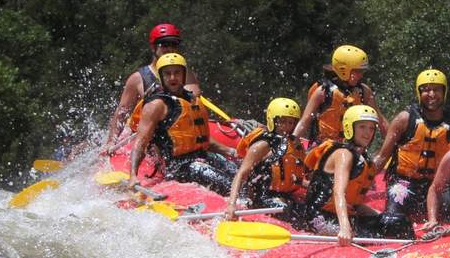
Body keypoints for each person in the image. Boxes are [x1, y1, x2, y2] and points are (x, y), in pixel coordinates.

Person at [129, 53, 238, 192]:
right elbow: (140, 142)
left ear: (184, 75)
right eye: (167, 73)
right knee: (231, 186)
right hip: (178, 167)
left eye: (177, 72)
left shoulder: (192, 100)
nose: (172, 77)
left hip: (202, 157)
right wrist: (133, 175)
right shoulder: (156, 105)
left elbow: (201, 140)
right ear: (161, 77)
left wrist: (232, 152)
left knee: (241, 176)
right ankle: (239, 203)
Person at [372, 68, 450, 237]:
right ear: (419, 93)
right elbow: (382, 157)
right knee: (391, 222)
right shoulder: (404, 119)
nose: (431, 94)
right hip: (405, 184)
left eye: (436, 89)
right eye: (426, 90)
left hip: (437, 187)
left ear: (444, 92)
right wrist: (359, 179)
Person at [287, 104, 384, 246]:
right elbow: (338, 192)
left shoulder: (362, 158)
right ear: (350, 128)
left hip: (339, 215)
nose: (367, 133)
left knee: (393, 223)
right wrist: (345, 228)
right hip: (318, 215)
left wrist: (380, 216)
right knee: (368, 237)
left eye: (371, 128)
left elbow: (353, 202)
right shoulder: (344, 154)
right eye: (362, 127)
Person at [103, 23, 201, 151]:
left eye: (174, 44)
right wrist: (111, 142)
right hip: (149, 133)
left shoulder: (185, 73)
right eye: (164, 44)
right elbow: (122, 113)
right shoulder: (137, 79)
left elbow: (194, 96)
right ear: (153, 47)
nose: (170, 48)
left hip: (179, 132)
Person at [224, 97, 308, 219]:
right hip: (262, 196)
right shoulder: (263, 144)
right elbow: (241, 174)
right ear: (272, 120)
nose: (287, 126)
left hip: (285, 196)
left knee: (310, 215)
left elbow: (294, 174)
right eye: (282, 121)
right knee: (294, 216)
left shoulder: (294, 144)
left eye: (290, 122)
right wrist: (232, 204)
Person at [293, 44, 387, 143]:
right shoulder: (323, 91)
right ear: (343, 70)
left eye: (362, 72)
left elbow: (381, 121)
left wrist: (393, 142)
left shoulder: (364, 91)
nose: (361, 76)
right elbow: (305, 121)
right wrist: (293, 141)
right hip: (324, 145)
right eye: (357, 72)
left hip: (352, 146)